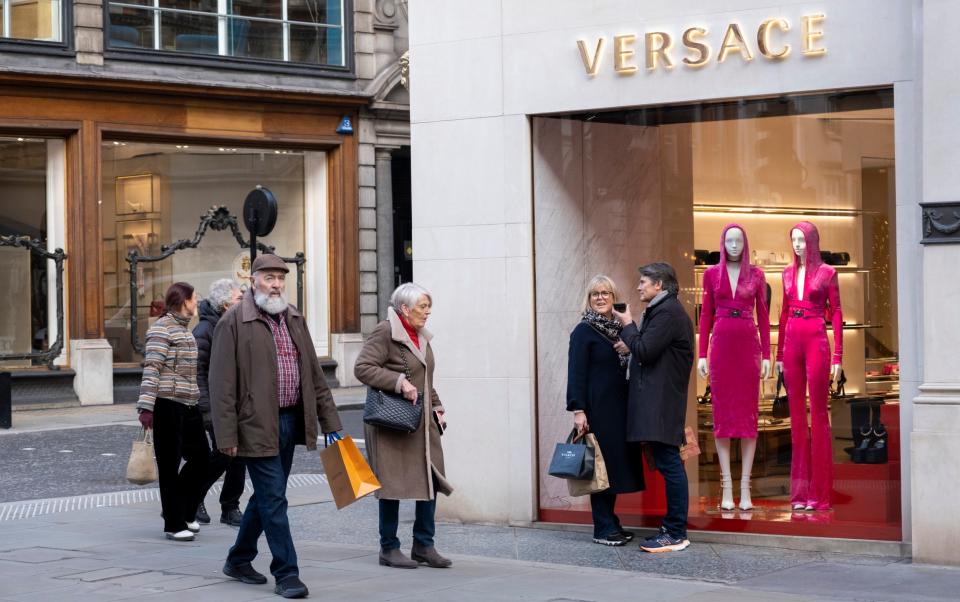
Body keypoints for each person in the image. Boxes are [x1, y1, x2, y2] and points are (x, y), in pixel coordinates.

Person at [210, 253, 342, 599]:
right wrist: (226, 436)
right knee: (274, 499)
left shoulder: (294, 317)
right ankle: (286, 573)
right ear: (253, 280)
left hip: (289, 421)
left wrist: (331, 422)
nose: (276, 284)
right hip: (254, 424)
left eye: (281, 278)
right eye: (269, 277)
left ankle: (238, 559)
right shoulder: (234, 322)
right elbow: (221, 384)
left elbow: (313, 373)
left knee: (269, 497)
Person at [355, 282, 454, 570]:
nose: (428, 312)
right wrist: (398, 383)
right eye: (423, 306)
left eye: (428, 306)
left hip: (422, 422)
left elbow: (424, 377)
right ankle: (389, 548)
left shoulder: (420, 334)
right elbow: (363, 367)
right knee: (392, 484)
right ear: (405, 309)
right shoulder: (386, 331)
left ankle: (424, 544)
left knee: (431, 480)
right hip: (392, 422)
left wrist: (437, 405)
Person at [612, 262, 694, 553]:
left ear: (659, 284)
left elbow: (646, 350)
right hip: (660, 401)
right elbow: (648, 347)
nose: (639, 287)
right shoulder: (664, 311)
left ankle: (675, 532)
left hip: (661, 403)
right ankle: (672, 528)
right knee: (668, 463)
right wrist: (631, 344)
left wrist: (627, 325)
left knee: (670, 464)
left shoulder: (668, 313)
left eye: (644, 282)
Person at [697, 225, 771, 511]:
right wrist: (702, 353)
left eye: (739, 240)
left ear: (746, 243)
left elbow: (763, 316)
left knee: (748, 418)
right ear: (722, 243)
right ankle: (726, 484)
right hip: (722, 346)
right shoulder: (710, 274)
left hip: (748, 346)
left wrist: (766, 354)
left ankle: (745, 486)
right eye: (729, 240)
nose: (734, 244)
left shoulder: (757, 275)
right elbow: (706, 315)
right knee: (723, 417)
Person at [567, 275, 645, 546]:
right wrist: (578, 410)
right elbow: (575, 373)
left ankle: (611, 521)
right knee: (598, 471)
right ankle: (602, 528)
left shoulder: (619, 329)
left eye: (605, 293)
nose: (600, 298)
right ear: (588, 300)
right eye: (595, 294)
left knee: (612, 468)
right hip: (596, 412)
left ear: (614, 298)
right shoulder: (583, 331)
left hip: (619, 410)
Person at [775, 221, 843, 511]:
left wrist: (838, 356)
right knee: (796, 420)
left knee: (818, 414)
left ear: (812, 241)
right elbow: (783, 312)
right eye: (794, 240)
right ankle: (800, 494)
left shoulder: (828, 273)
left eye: (802, 240)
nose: (798, 245)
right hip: (792, 340)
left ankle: (820, 493)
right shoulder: (787, 273)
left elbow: (837, 312)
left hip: (816, 338)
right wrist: (779, 355)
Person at [136, 281, 208, 542]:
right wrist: (146, 407)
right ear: (183, 300)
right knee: (169, 466)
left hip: (189, 403)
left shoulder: (184, 330)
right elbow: (152, 368)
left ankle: (184, 510)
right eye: (194, 298)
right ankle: (174, 523)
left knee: (202, 458)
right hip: (166, 405)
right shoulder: (161, 329)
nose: (197, 302)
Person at [194, 278, 245, 527]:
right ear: (225, 304)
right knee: (223, 454)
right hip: (216, 406)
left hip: (237, 405)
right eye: (239, 298)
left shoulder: (237, 325)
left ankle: (230, 507)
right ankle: (193, 496)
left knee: (239, 456)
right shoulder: (205, 331)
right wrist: (207, 411)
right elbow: (197, 374)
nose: (243, 301)